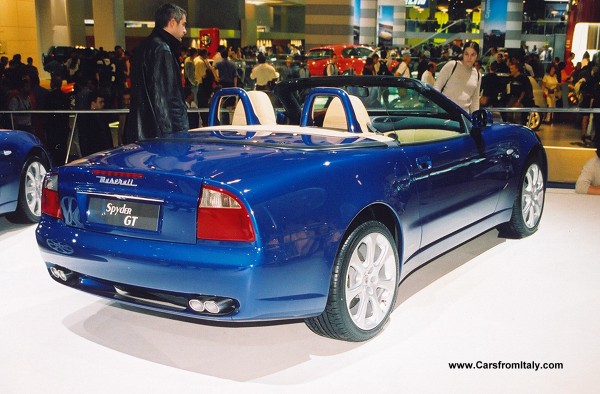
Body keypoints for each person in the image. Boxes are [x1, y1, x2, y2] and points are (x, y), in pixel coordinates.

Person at [125, 3, 188, 143]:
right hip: (161, 135)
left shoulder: (144, 47)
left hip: (143, 131)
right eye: (183, 25)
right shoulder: (162, 49)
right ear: (172, 22)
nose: (185, 31)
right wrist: (178, 137)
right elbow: (166, 99)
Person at [434, 41, 481, 114]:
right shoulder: (452, 65)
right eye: (466, 54)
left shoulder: (478, 75)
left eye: (473, 54)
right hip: (445, 113)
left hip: (464, 117)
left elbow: (475, 100)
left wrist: (475, 118)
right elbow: (436, 88)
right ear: (462, 54)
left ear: (477, 56)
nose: (469, 57)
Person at [78, 92, 113, 157]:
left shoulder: (102, 116)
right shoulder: (86, 119)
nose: (103, 104)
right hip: (93, 152)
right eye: (100, 102)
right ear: (93, 104)